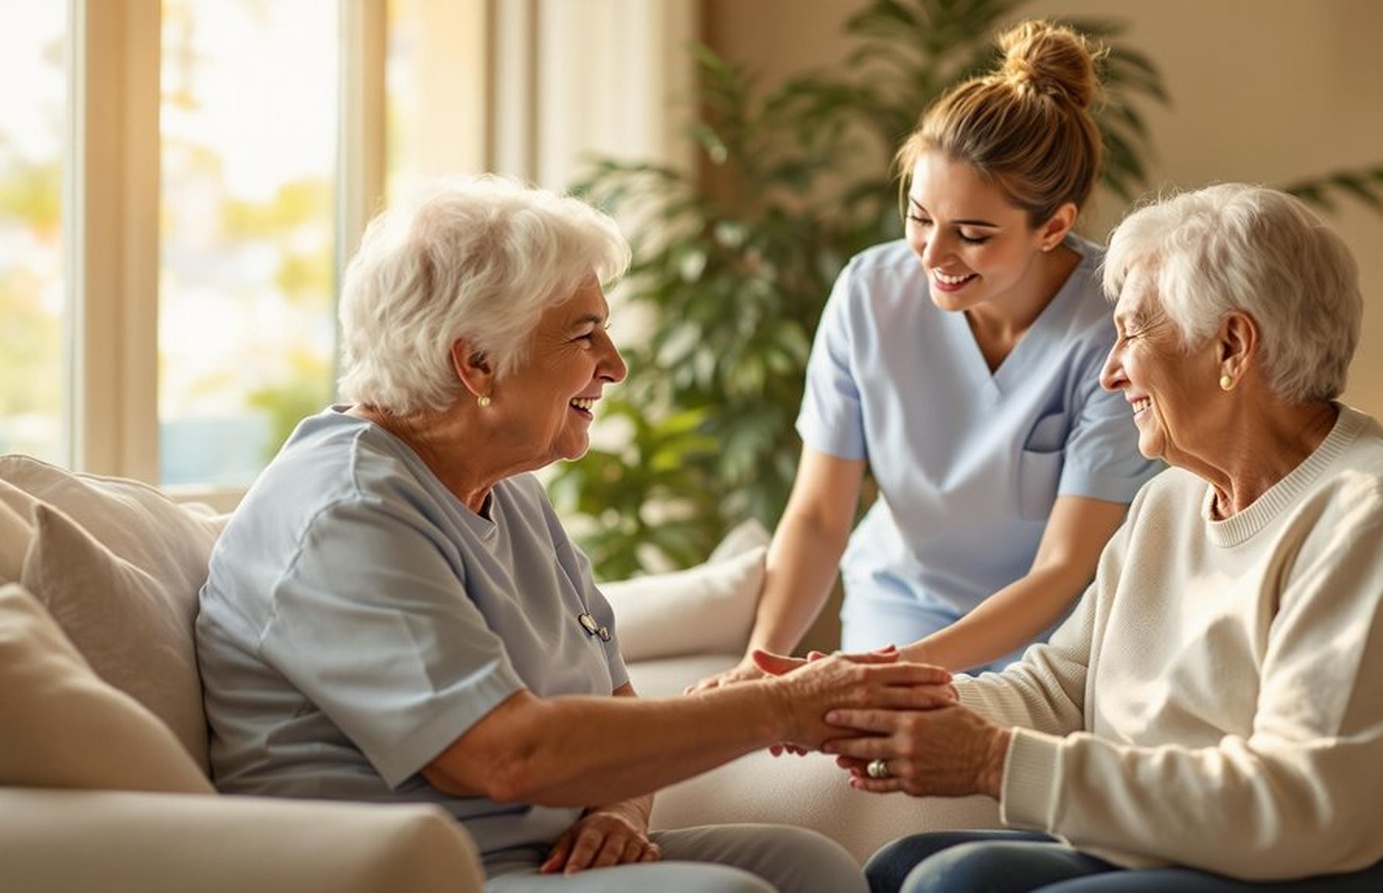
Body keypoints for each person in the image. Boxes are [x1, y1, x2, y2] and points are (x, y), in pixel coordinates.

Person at [193, 175, 956, 893]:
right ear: (476, 362)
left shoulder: (510, 493)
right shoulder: (346, 510)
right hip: (428, 874)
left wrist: (619, 808)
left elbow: (617, 706)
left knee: (810, 865)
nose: (615, 365)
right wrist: (784, 706)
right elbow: (503, 754)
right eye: (585, 335)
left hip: (540, 860)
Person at [814, 183, 1383, 892]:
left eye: (1132, 333)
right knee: (904, 868)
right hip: (1193, 845)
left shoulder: (1373, 510)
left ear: (1232, 346)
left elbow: (1309, 807)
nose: (1109, 371)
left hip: (1375, 864)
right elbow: (1063, 690)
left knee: (952, 886)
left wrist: (992, 762)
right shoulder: (1170, 500)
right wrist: (878, 702)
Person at [694, 20, 1159, 691]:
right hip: (902, 603)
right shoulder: (868, 295)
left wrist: (886, 672)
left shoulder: (1111, 324)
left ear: (1054, 226)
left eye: (971, 234)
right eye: (919, 218)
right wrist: (760, 660)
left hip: (1059, 628)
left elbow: (1065, 566)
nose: (933, 255)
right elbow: (820, 516)